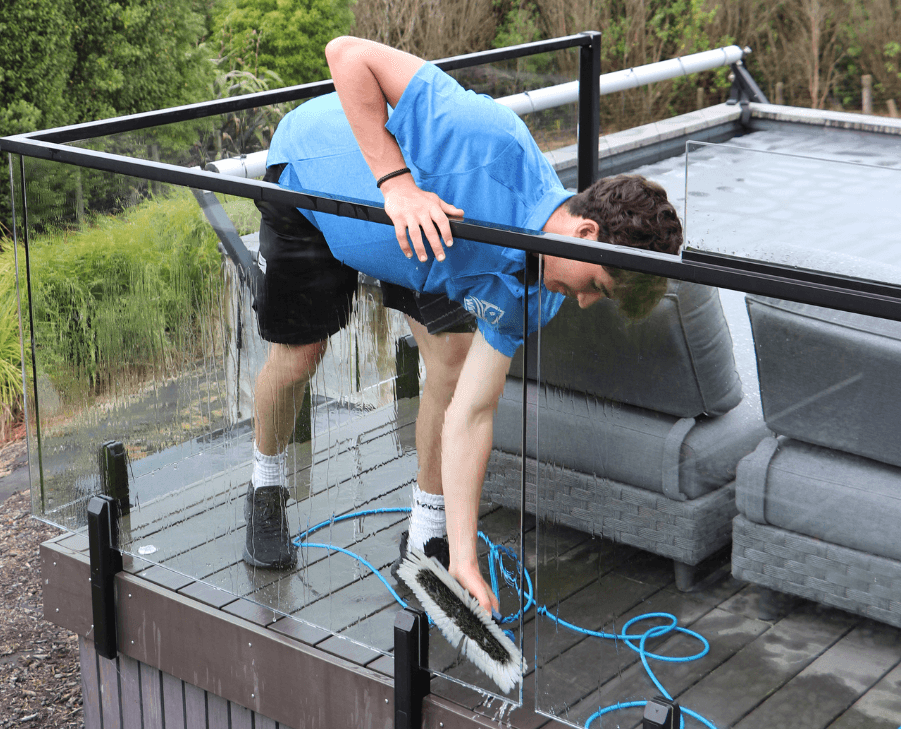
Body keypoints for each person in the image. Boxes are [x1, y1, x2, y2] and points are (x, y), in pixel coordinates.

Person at [245, 35, 683, 614]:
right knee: (300, 357)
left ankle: (427, 537)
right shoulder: (487, 139)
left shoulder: (536, 291)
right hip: (317, 185)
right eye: (597, 287)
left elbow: (474, 413)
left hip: (424, 248)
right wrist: (398, 186)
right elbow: (345, 53)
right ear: (585, 234)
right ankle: (266, 485)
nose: (582, 304)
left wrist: (464, 560)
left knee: (451, 369)